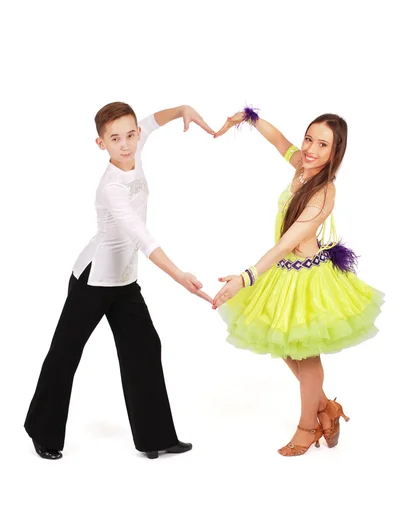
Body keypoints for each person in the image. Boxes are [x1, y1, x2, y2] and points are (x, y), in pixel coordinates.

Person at [25, 102, 214, 460]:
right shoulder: (111, 187)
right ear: (102, 144)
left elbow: (154, 121)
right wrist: (181, 277)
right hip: (93, 281)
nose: (125, 144)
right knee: (65, 354)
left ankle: (155, 438)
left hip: (124, 283)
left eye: (130, 135)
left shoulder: (136, 144)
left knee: (144, 349)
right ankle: (42, 431)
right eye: (115, 139)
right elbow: (143, 238)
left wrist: (184, 110)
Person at [212, 107, 384, 457]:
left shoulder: (324, 191)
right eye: (309, 138)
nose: (310, 149)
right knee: (286, 348)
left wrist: (245, 279)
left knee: (304, 355)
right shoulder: (301, 168)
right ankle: (326, 408)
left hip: (306, 278)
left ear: (335, 153)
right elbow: (279, 142)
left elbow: (286, 243)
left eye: (323, 145)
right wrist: (250, 118)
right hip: (283, 272)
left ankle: (308, 426)